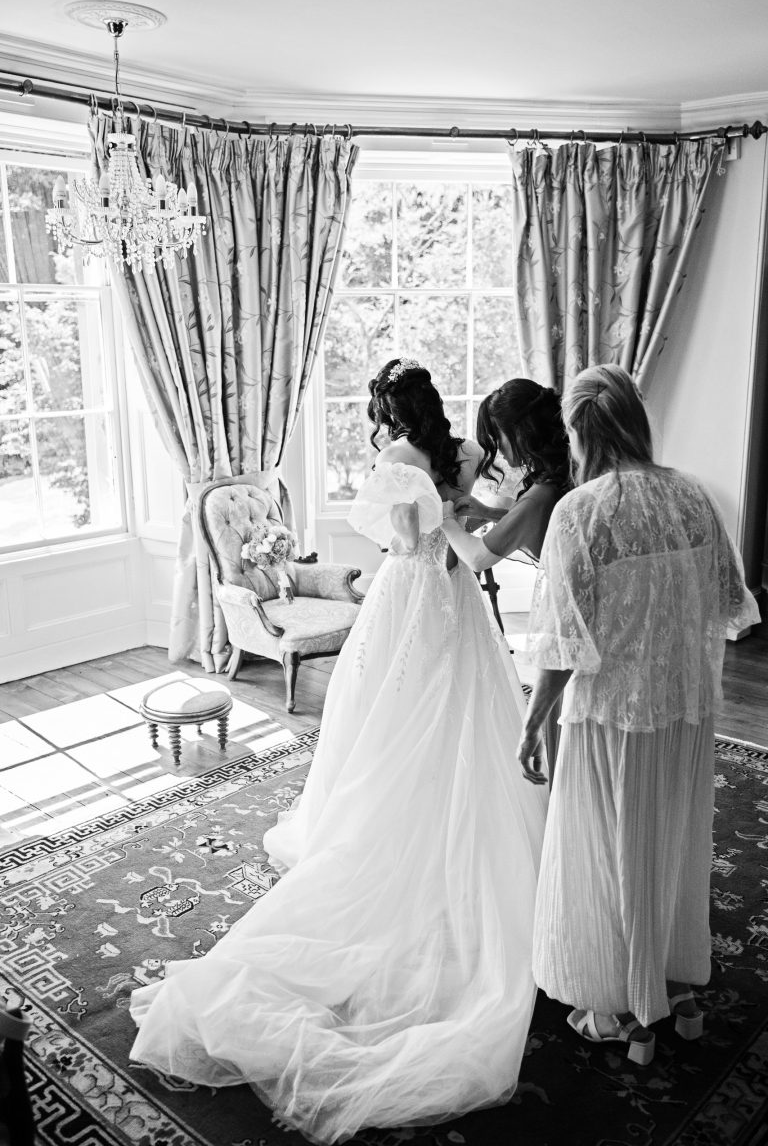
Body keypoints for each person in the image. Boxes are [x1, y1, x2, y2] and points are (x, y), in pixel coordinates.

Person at [128, 358, 548, 1144]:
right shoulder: (457, 457)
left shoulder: (393, 463)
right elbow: (478, 522)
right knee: (455, 714)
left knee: (386, 719)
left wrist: (428, 515)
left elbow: (395, 539)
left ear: (389, 413)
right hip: (456, 602)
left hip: (407, 597)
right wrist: (461, 508)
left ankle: (383, 823)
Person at [515, 363, 759, 1065]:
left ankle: (625, 1012)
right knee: (672, 842)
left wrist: (535, 721)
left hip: (610, 714)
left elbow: (563, 641)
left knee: (605, 848)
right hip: (684, 708)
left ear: (580, 434)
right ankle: (676, 990)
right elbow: (725, 600)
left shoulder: (581, 512)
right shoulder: (692, 497)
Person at [440, 379, 571, 777]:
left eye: (498, 435)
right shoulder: (559, 473)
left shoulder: (539, 494)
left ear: (521, 432)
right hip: (575, 601)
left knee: (557, 713)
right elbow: (532, 520)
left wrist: (446, 521)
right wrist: (492, 513)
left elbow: (477, 557)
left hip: (563, 611)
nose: (497, 446)